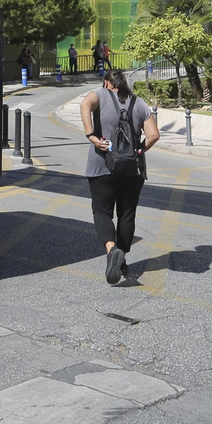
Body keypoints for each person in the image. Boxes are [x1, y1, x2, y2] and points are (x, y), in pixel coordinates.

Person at [79, 68, 160, 285]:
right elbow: (154, 135)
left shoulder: (100, 94)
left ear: (107, 83)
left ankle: (112, 249)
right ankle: (121, 257)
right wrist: (139, 151)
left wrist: (91, 136)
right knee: (127, 214)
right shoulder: (138, 102)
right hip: (132, 169)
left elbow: (85, 104)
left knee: (102, 211)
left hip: (101, 165)